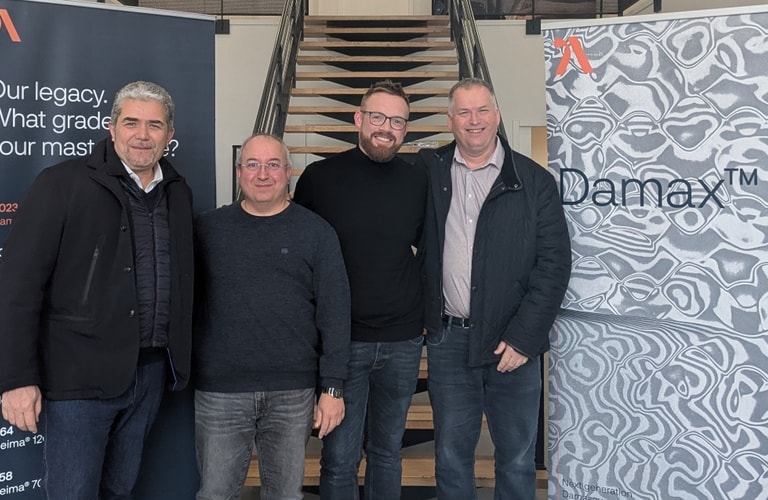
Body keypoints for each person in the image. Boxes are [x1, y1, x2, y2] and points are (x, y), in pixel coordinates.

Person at [0, 80, 195, 498]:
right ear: (111, 127)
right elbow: (17, 286)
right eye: (132, 123)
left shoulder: (177, 192)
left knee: (119, 491)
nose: (143, 135)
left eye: (155, 125)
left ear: (170, 135)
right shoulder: (62, 184)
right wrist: (15, 378)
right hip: (78, 378)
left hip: (150, 373)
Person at [415, 78, 572, 499]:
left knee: (518, 458)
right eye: (463, 112)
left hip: (513, 345)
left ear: (497, 114)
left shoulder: (534, 182)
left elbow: (554, 266)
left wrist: (524, 338)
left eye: (482, 110)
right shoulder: (428, 173)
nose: (474, 121)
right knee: (450, 456)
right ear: (449, 121)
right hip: (449, 341)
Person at [193, 133, 350, 500]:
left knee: (284, 495)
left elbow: (336, 313)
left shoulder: (317, 233)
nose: (262, 174)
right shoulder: (205, 230)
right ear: (238, 172)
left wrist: (332, 388)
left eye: (272, 164)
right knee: (215, 493)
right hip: (220, 392)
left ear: (288, 173)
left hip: (292, 392)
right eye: (253, 164)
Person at [293, 80, 427, 500]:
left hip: (404, 342)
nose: (387, 127)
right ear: (359, 119)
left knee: (387, 453)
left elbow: (428, 253)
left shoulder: (418, 181)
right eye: (378, 117)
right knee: (339, 459)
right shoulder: (319, 178)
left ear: (407, 128)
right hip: (341, 345)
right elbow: (299, 261)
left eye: (398, 120)